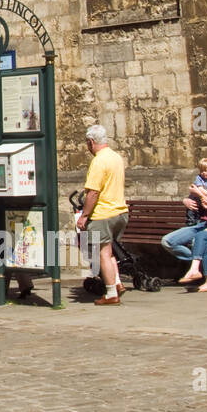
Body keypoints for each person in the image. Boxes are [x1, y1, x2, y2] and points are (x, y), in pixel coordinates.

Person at [74, 124, 128, 305]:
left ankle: (111, 293)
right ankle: (118, 283)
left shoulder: (98, 161)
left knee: (102, 253)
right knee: (109, 251)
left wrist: (84, 216)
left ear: (91, 142)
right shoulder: (115, 157)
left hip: (103, 214)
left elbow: (93, 193)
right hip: (120, 212)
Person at [160, 158, 207, 263]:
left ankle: (199, 268)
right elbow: (195, 193)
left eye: (206, 170)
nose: (203, 173)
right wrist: (186, 200)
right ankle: (195, 263)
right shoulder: (200, 179)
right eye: (201, 170)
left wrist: (201, 194)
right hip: (197, 222)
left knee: (195, 243)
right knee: (167, 241)